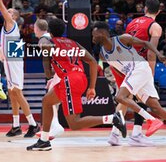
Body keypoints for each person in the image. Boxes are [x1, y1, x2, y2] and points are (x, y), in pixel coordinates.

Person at [93, 21, 166, 147]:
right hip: (135, 74)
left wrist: (159, 54)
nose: (92, 36)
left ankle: (151, 120)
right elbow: (116, 69)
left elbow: (146, 43)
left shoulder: (122, 39)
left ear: (102, 32)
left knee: (120, 97)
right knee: (156, 107)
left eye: (94, 33)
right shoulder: (102, 54)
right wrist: (130, 82)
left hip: (140, 67)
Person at [27, 19, 127, 151]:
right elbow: (92, 62)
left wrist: (48, 72)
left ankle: (112, 118)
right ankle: (44, 141)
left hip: (70, 80)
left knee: (74, 123)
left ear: (50, 32)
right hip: (78, 78)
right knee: (47, 101)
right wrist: (92, 87)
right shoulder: (73, 43)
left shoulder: (47, 42)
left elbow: (46, 60)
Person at [0, 0, 40, 137]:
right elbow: (4, 47)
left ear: (15, 17)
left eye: (10, 11)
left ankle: (33, 124)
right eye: (8, 11)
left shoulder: (10, 23)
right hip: (10, 56)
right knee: (11, 92)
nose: (7, 12)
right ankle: (16, 125)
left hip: (14, 58)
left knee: (16, 92)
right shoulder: (7, 27)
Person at [107, 0, 163, 147]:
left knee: (125, 97)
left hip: (121, 62)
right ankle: (137, 134)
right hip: (137, 65)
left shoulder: (133, 22)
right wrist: (150, 72)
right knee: (143, 97)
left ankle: (114, 134)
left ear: (145, 9)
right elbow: (151, 52)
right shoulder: (155, 26)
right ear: (158, 11)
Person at [33, 19, 64, 139]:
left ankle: (55, 126)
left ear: (37, 29)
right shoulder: (52, 37)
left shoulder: (43, 40)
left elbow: (49, 54)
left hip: (61, 71)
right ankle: (52, 127)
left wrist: (49, 74)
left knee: (50, 100)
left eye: (34, 28)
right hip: (63, 70)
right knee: (53, 98)